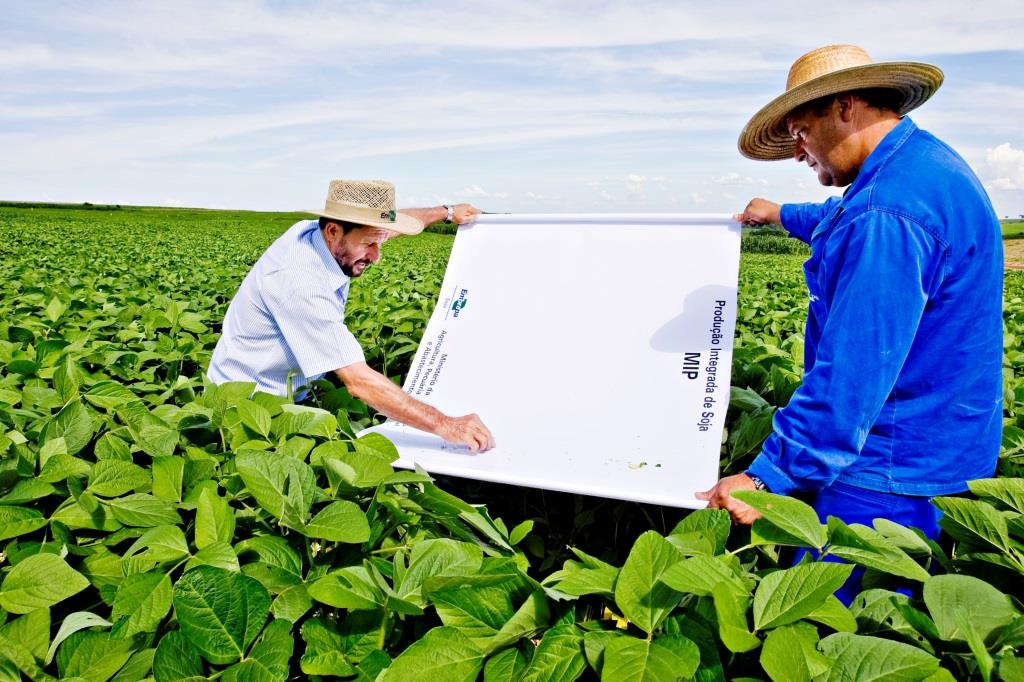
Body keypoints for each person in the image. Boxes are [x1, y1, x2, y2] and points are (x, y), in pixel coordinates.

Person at [697, 45, 1003, 596]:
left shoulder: (885, 213)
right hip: (939, 442)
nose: (797, 153)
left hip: (886, 462)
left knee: (827, 635)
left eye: (800, 131)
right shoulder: (922, 168)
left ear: (844, 108)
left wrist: (766, 477)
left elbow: (852, 375)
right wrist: (782, 214)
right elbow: (841, 215)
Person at [208, 178, 496, 453]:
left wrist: (446, 212)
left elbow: (389, 226)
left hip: (293, 387)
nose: (375, 256)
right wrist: (446, 424)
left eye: (379, 241)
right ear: (333, 231)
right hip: (247, 407)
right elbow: (358, 381)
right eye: (369, 244)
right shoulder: (299, 283)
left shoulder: (317, 234)